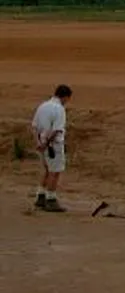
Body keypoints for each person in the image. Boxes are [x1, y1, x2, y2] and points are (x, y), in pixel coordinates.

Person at [31, 84, 72, 213]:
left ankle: (40, 196)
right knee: (55, 172)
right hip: (53, 145)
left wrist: (38, 143)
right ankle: (51, 199)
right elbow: (56, 130)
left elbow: (34, 127)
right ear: (65, 97)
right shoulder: (59, 109)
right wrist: (46, 144)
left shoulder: (42, 106)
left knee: (47, 170)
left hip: (41, 142)